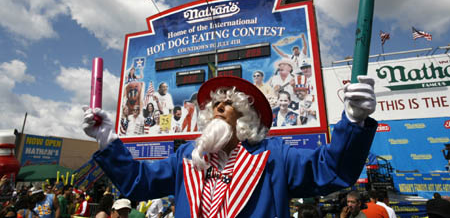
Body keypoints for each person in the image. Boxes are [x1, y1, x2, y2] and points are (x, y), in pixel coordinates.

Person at [83, 75, 377, 218]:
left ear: (247, 116)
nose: (218, 107)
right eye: (214, 104)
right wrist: (107, 141)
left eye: (228, 103)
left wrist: (354, 120)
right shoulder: (187, 156)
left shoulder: (273, 155)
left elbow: (329, 169)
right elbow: (139, 182)